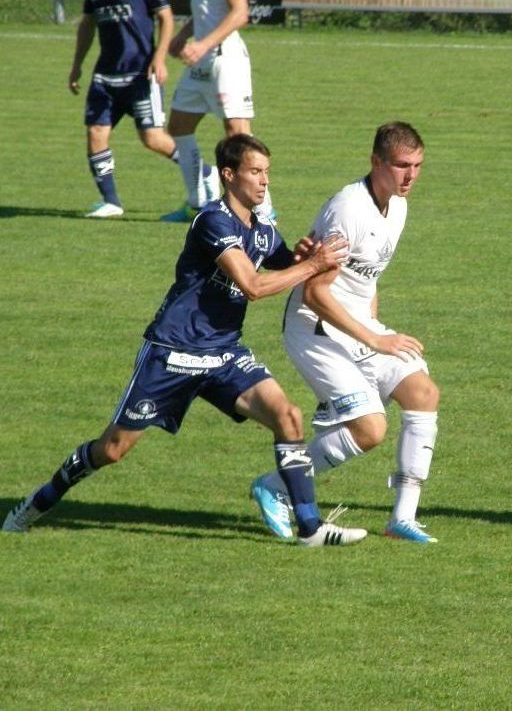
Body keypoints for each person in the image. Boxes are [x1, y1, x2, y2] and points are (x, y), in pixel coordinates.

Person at [3, 134, 365, 548]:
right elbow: (252, 285)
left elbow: (288, 267)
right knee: (113, 449)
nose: (264, 181)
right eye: (254, 172)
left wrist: (308, 256)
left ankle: (310, 529)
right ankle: (36, 503)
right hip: (172, 354)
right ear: (229, 175)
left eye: (267, 172)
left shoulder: (262, 230)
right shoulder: (212, 222)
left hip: (223, 353)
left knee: (288, 416)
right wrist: (312, 265)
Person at [249, 122, 441, 544]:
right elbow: (315, 293)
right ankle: (274, 487)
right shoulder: (348, 210)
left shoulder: (398, 205)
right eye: (401, 165)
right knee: (370, 431)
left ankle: (401, 520)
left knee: (423, 393)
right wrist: (374, 341)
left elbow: (365, 279)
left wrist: (373, 332)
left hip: (358, 326)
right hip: (314, 329)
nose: (410, 175)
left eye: (418, 166)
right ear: (376, 163)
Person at [160, 0, 274, 223]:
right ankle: (196, 203)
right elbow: (206, 13)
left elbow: (240, 14)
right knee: (179, 126)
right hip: (202, 61)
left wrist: (203, 45)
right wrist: (183, 35)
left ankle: (263, 210)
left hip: (226, 59)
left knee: (237, 134)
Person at [69, 0, 179, 218]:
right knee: (96, 132)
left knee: (152, 139)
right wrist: (77, 65)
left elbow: (166, 18)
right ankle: (111, 202)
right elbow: (87, 24)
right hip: (105, 78)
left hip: (140, 75)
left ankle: (203, 172)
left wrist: (159, 59)